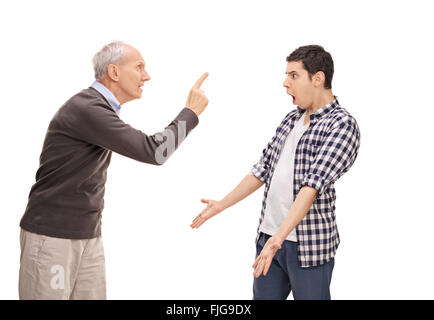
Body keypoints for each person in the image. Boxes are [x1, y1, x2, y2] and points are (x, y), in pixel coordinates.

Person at [19, 41, 209, 299]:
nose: (147, 76)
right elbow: (154, 151)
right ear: (114, 72)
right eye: (139, 67)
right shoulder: (87, 108)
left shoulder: (99, 109)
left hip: (87, 234)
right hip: (53, 238)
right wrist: (191, 112)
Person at [191, 45, 360, 300]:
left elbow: (312, 187)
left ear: (318, 78)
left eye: (293, 75)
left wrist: (278, 239)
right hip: (268, 239)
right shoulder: (291, 120)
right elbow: (262, 170)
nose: (285, 83)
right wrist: (221, 205)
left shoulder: (341, 124)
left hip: (307, 247)